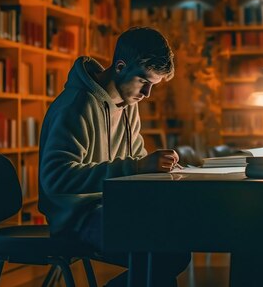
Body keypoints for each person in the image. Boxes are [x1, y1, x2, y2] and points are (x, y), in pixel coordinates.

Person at [38, 26, 191, 286]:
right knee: (163, 253)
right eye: (144, 82)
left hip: (114, 208)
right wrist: (139, 166)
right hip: (77, 217)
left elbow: (134, 160)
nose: (146, 94)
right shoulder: (76, 106)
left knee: (175, 245)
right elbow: (56, 178)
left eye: (152, 85)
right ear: (120, 66)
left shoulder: (129, 103)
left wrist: (161, 170)